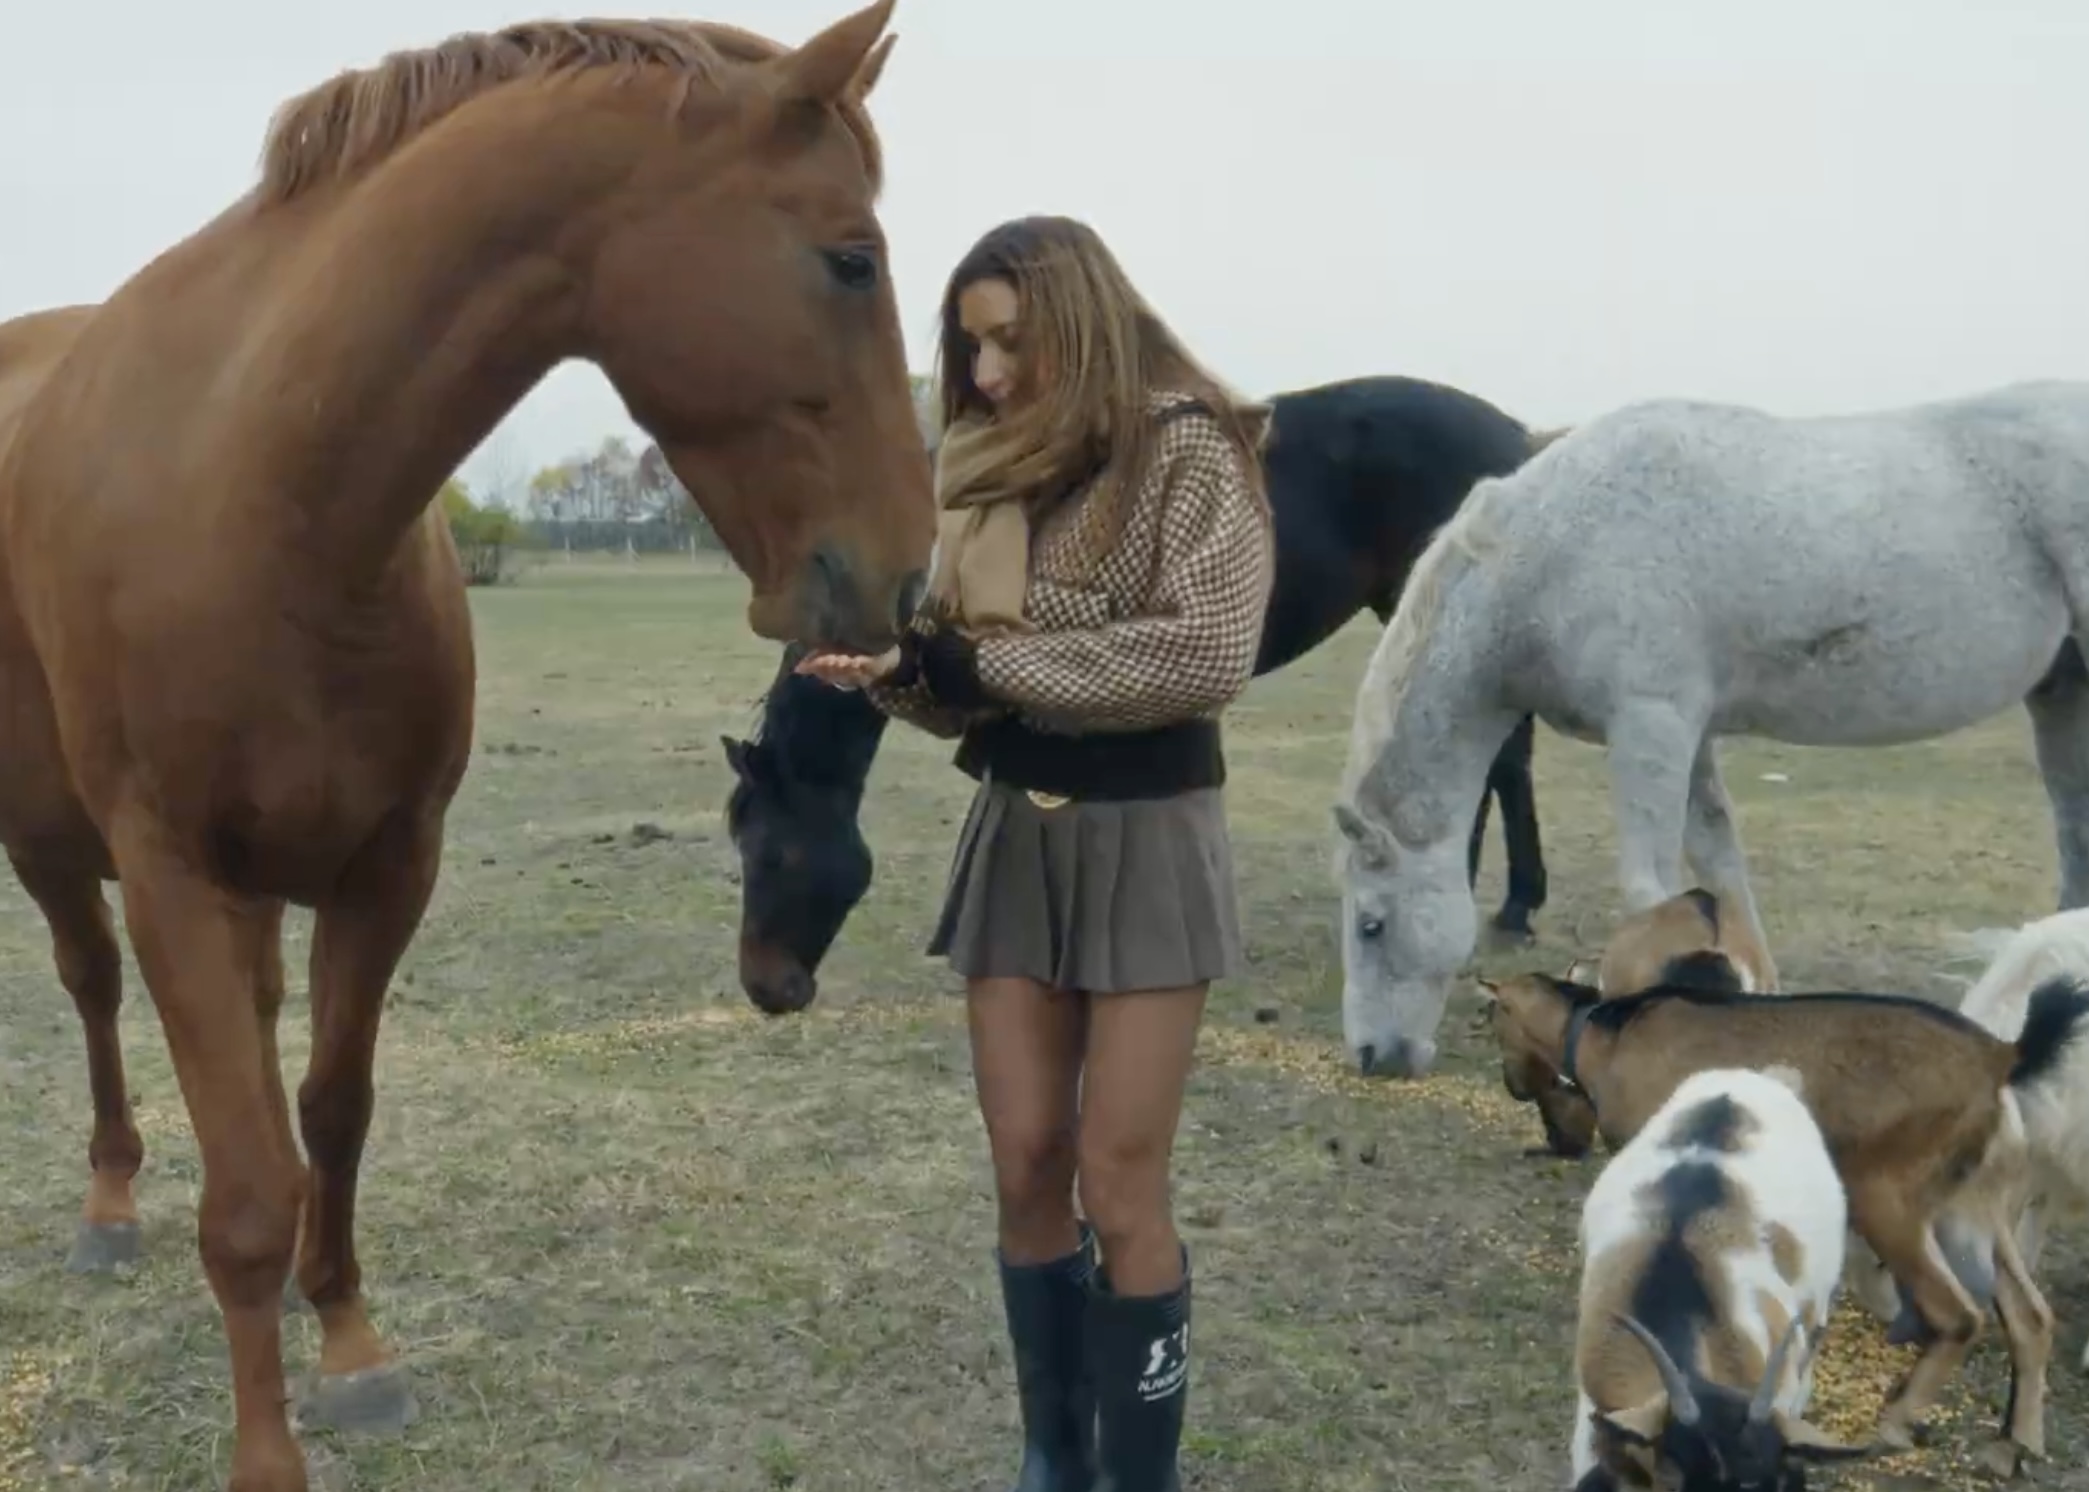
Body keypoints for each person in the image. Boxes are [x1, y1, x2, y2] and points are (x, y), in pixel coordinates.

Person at [795, 214, 1275, 1492]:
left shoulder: (1190, 449)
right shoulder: (985, 469)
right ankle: (1054, 1457)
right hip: (1016, 834)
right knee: (1024, 1164)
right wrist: (897, 671)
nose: (989, 374)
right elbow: (965, 687)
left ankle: (1139, 1477)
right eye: (972, 348)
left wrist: (985, 662)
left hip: (1150, 841)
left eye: (1010, 340)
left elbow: (1201, 654)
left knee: (1118, 1181)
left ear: (1082, 319)